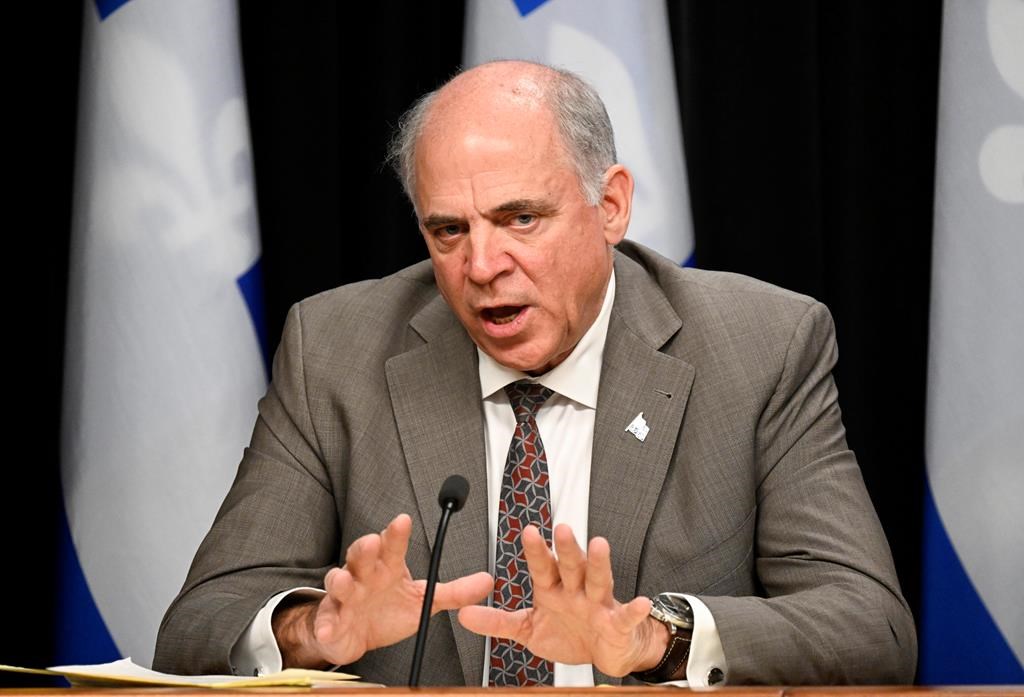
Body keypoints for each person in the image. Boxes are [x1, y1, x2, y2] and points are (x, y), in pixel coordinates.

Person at [153, 60, 916, 686]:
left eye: (520, 218)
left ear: (610, 205)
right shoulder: (334, 350)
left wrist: (654, 636)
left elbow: (871, 625)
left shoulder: (759, 347)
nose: (482, 265)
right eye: (448, 230)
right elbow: (198, 622)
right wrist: (314, 629)